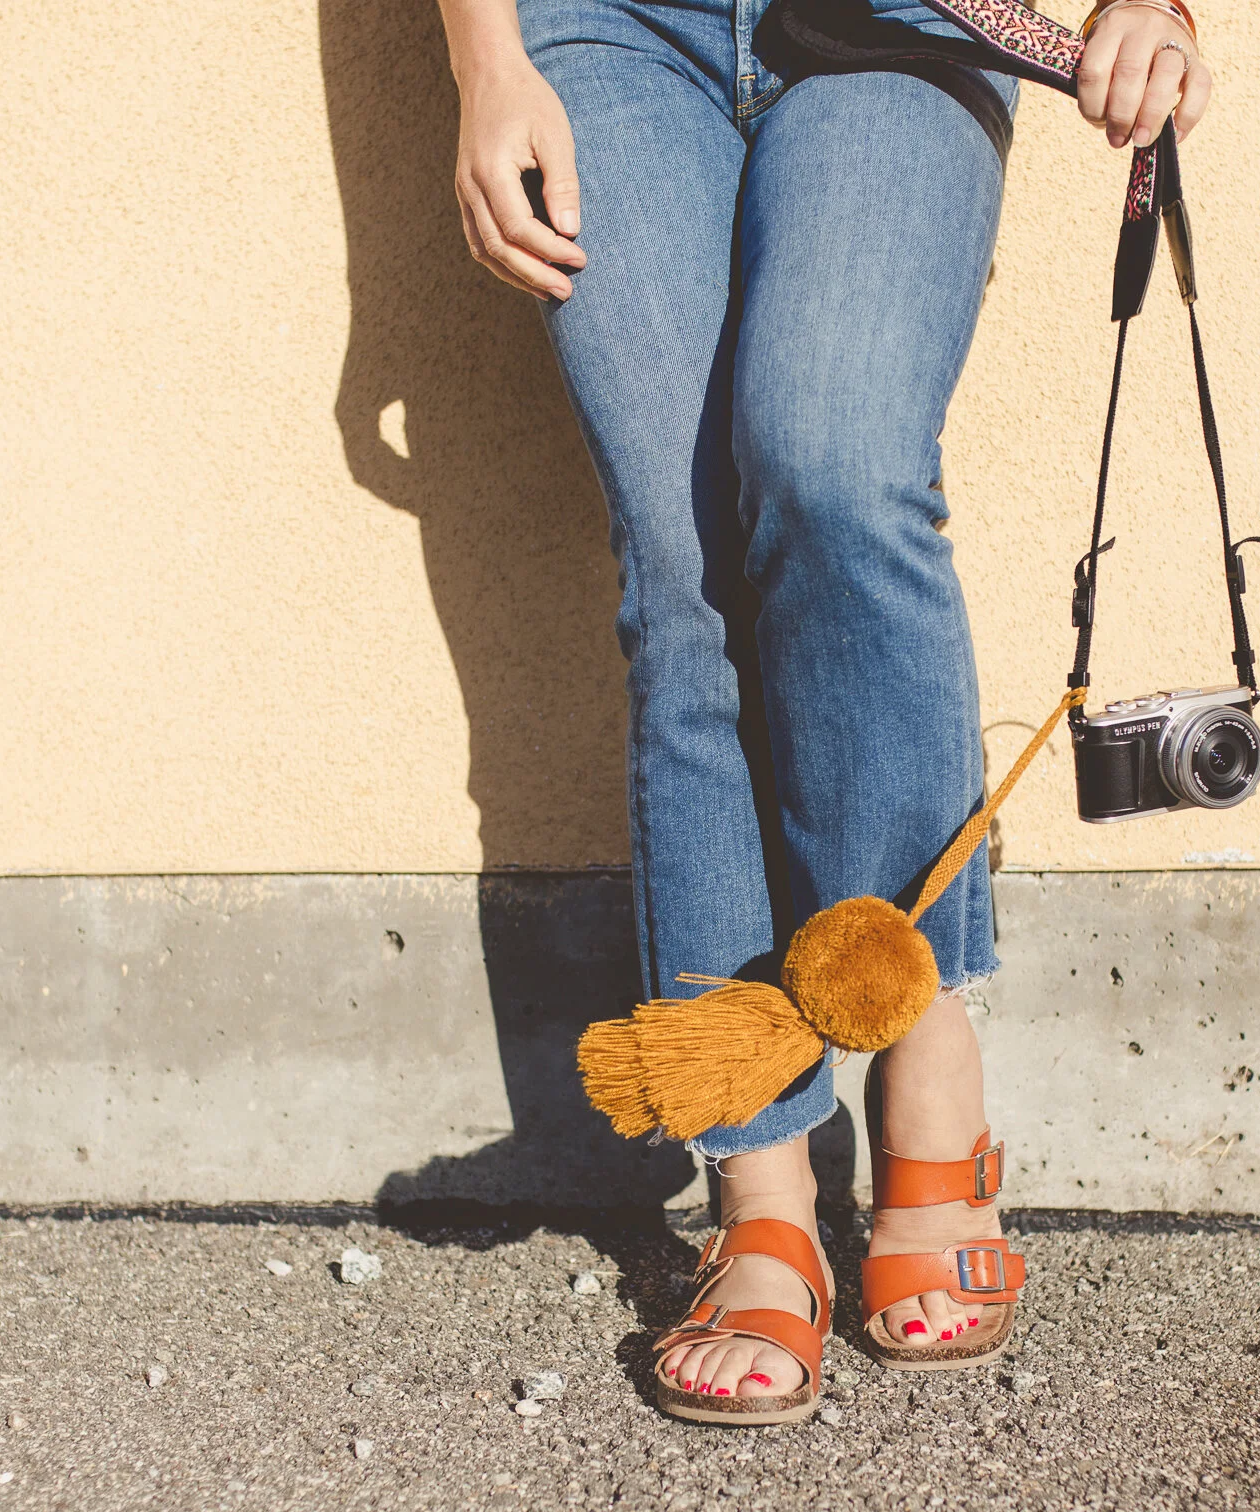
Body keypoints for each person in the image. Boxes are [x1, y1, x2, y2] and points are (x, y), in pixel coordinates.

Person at [437, 0, 1210, 1422]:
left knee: (838, 472)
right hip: (603, 28)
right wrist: (487, 62)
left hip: (907, 20)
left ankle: (927, 1060)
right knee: (683, 561)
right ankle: (761, 1187)